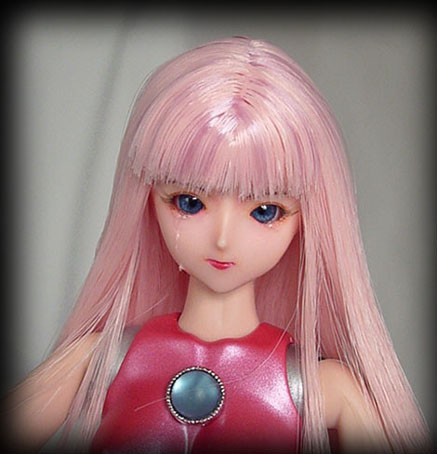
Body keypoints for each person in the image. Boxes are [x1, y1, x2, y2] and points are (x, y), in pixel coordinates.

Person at [5, 36, 429, 453]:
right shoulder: (103, 359)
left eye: (265, 211)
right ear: (147, 200)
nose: (223, 239)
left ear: (308, 220)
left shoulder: (322, 388)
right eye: (189, 203)